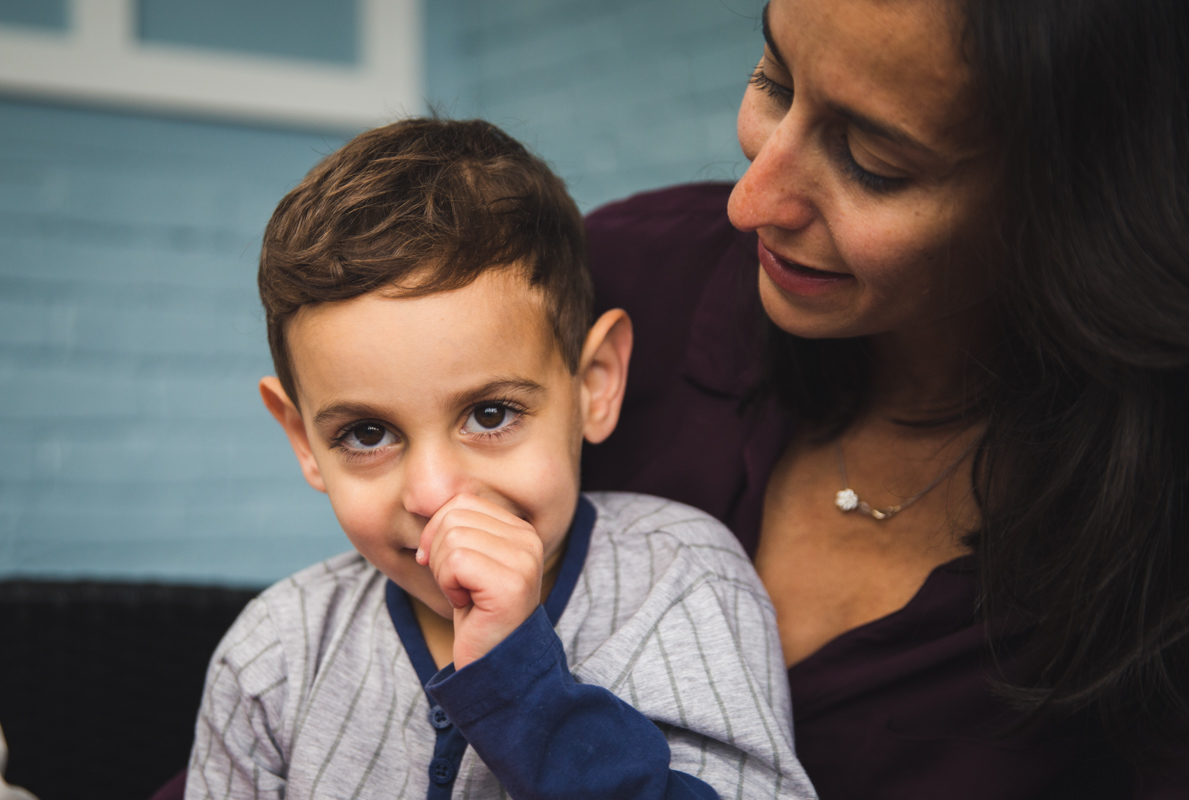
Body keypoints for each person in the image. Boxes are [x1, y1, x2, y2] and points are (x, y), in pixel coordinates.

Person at [582, 0, 1189, 797]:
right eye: (773, 81)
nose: (750, 203)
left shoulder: (1169, 544)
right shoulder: (626, 286)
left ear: (1089, 201)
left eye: (873, 161)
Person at [184, 118, 814, 800]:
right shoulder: (275, 656)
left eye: (490, 415)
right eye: (367, 434)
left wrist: (521, 684)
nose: (432, 492)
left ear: (594, 384)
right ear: (304, 440)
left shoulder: (680, 578)